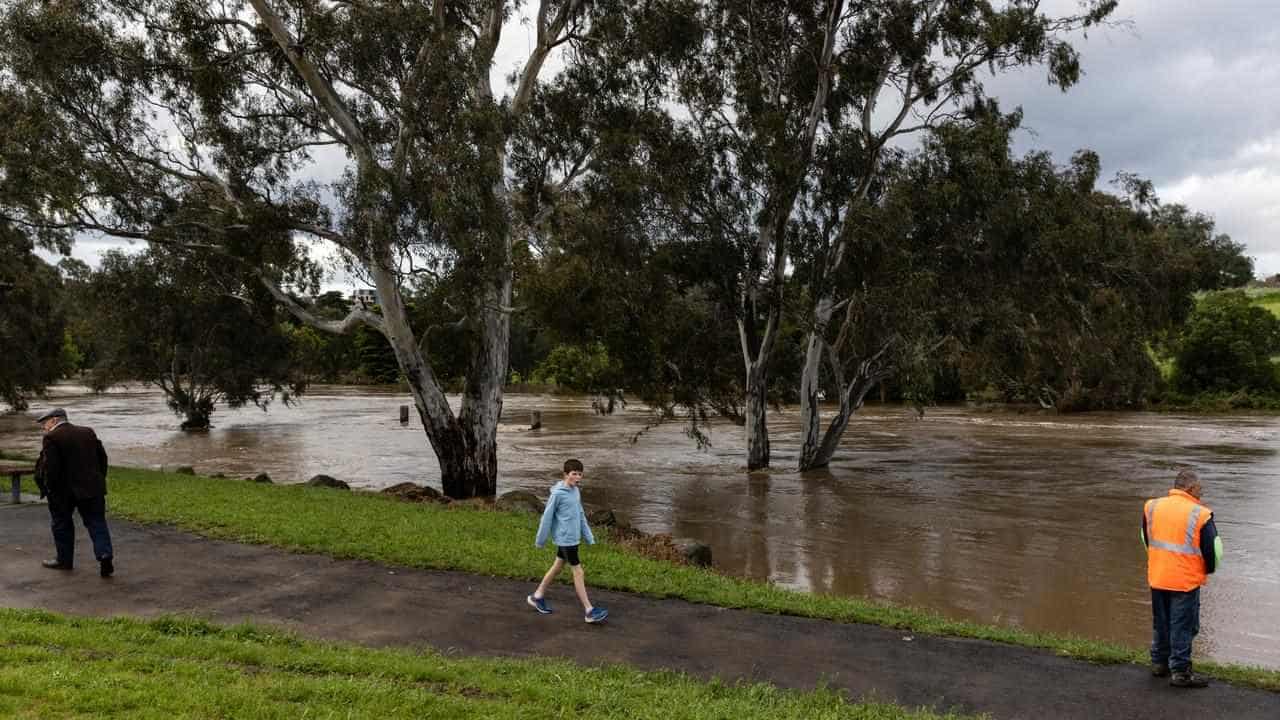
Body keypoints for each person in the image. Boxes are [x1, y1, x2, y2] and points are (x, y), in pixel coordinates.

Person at [1142, 468, 1221, 688]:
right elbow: (1211, 549)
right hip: (1185, 580)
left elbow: (1146, 538)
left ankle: (1159, 663)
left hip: (1158, 575)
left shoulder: (1152, 507)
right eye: (1200, 489)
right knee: (1183, 626)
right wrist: (1208, 570)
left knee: (1161, 623)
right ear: (1190, 488)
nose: (1201, 493)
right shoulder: (1201, 513)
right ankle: (1181, 672)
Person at [33, 408, 115, 577]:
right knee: (96, 522)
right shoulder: (88, 432)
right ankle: (105, 555)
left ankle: (64, 561)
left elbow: (51, 468)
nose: (44, 427)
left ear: (55, 420)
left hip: (63, 492)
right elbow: (102, 458)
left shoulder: (52, 437)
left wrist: (49, 488)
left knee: (62, 524)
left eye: (45, 422)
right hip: (92, 488)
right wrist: (99, 478)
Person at [527, 458, 608, 623]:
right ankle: (589, 610)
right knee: (578, 572)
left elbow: (581, 515)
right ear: (565, 474)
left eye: (580, 474)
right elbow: (546, 518)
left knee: (557, 567)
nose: (577, 477)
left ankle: (537, 596)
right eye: (574, 474)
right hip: (565, 540)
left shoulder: (575, 491)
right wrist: (540, 540)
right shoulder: (557, 494)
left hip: (573, 538)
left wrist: (588, 536)